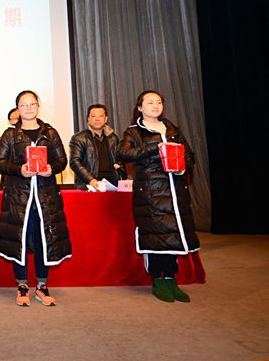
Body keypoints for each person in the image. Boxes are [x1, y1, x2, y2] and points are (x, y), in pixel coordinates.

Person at [117, 90, 199, 303]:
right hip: (151, 193)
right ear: (140, 107)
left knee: (173, 234)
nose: (155, 106)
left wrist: (182, 168)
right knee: (154, 235)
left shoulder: (172, 130)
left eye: (159, 102)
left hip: (175, 191)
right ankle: (157, 279)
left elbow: (189, 155)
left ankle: (170, 278)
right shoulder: (134, 132)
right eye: (150, 102)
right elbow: (123, 154)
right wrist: (155, 147)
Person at [0, 90, 71, 307]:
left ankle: (42, 286)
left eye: (32, 104)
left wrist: (51, 168)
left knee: (43, 240)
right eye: (23, 105)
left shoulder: (50, 133)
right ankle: (22, 285)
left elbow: (62, 160)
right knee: (19, 239)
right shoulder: (10, 135)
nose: (28, 108)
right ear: (18, 109)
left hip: (45, 197)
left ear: (38, 106)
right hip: (19, 198)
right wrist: (19, 170)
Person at [68, 104, 126, 190]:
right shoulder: (79, 138)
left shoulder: (113, 138)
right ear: (88, 119)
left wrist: (123, 178)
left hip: (112, 185)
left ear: (106, 119)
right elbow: (75, 162)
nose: (97, 119)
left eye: (101, 116)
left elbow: (119, 161)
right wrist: (91, 180)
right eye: (93, 116)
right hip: (89, 185)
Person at [0, 107, 20, 189]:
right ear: (10, 121)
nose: (18, 121)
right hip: (11, 182)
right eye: (14, 118)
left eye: (19, 118)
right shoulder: (6, 137)